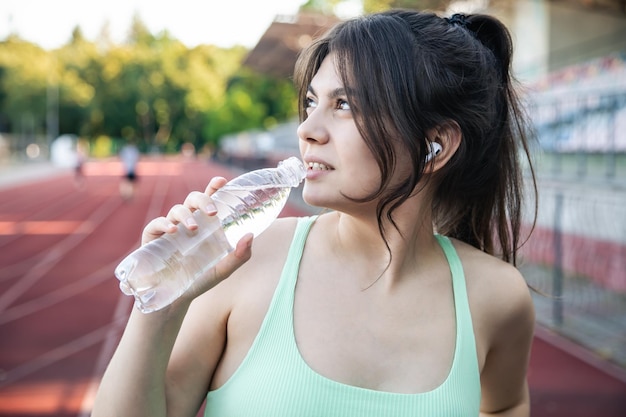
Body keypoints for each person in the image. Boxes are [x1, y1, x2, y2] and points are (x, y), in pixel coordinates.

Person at [92, 9, 537, 417]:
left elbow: (506, 404)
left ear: (435, 144)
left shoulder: (496, 296)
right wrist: (161, 307)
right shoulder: (247, 258)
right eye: (310, 102)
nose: (306, 130)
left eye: (343, 105)